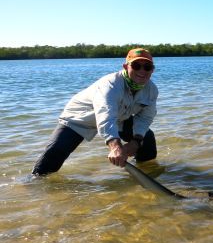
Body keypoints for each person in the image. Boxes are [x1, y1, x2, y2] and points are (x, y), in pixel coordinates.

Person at [32, 48, 159, 176]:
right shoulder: (111, 84)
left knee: (146, 139)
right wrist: (115, 147)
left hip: (118, 118)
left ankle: (145, 173)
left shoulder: (151, 90)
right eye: (136, 66)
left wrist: (135, 142)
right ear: (126, 66)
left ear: (152, 70)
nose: (142, 71)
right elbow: (105, 115)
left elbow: (145, 118)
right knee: (55, 153)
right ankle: (34, 183)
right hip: (80, 118)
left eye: (147, 67)